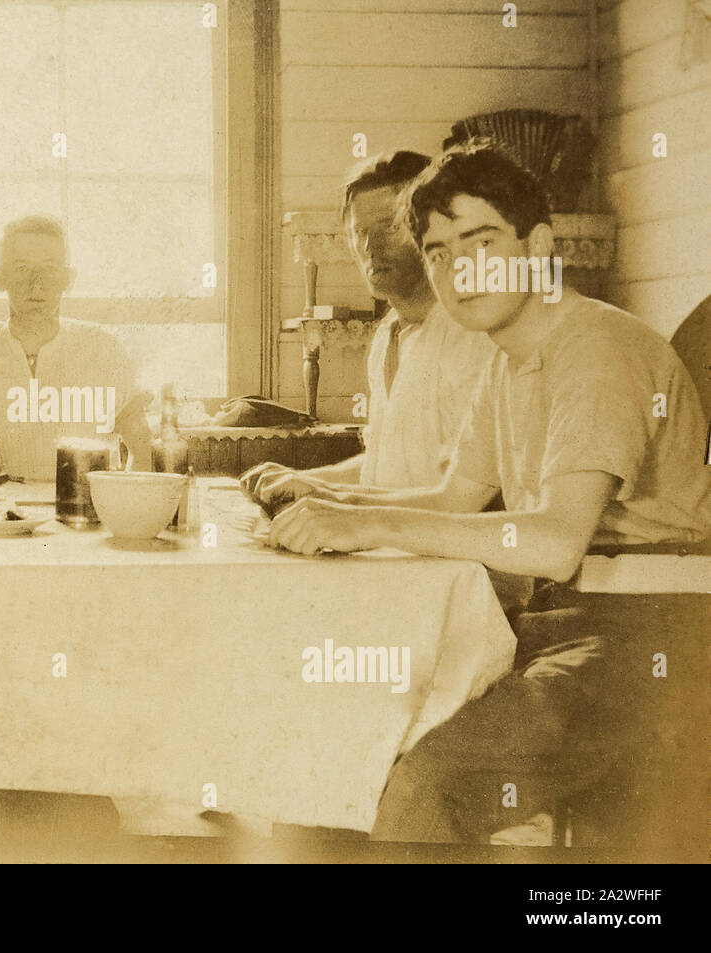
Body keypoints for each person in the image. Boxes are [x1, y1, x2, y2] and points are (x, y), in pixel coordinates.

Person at [265, 143, 711, 844]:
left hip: (652, 633)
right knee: (348, 746)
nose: (455, 269)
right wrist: (332, 509)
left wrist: (366, 526)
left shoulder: (597, 347)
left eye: (479, 241)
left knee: (421, 792)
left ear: (537, 246)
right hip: (558, 620)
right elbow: (453, 497)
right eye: (438, 251)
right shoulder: (507, 357)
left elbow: (556, 541)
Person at [241, 151, 496, 510]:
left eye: (390, 227)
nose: (370, 248)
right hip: (389, 545)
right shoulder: (386, 336)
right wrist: (304, 478)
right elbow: (381, 471)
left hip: (452, 556)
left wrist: (325, 495)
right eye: (360, 232)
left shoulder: (472, 335)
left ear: (434, 231)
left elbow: (464, 498)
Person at [0, 216, 154, 480]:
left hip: (88, 515)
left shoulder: (107, 351)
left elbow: (142, 450)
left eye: (50, 269)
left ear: (68, 278)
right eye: (21, 268)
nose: (36, 284)